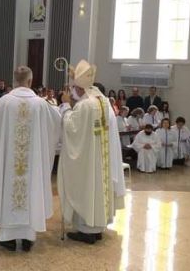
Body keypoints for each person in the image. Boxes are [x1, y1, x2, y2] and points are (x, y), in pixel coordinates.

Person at [0, 66, 61, 252]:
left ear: (14, 80)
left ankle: (8, 239)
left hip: (9, 164)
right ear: (30, 81)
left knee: (8, 188)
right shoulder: (40, 103)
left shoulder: (4, 102)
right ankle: (28, 237)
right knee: (31, 189)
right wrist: (67, 105)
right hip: (32, 164)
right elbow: (57, 123)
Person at [58, 60, 125, 245]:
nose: (71, 91)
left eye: (73, 87)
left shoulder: (84, 106)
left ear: (79, 88)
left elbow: (71, 127)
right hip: (102, 158)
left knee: (87, 186)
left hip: (89, 159)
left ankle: (86, 230)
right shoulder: (102, 100)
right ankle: (97, 228)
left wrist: (64, 106)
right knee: (98, 188)